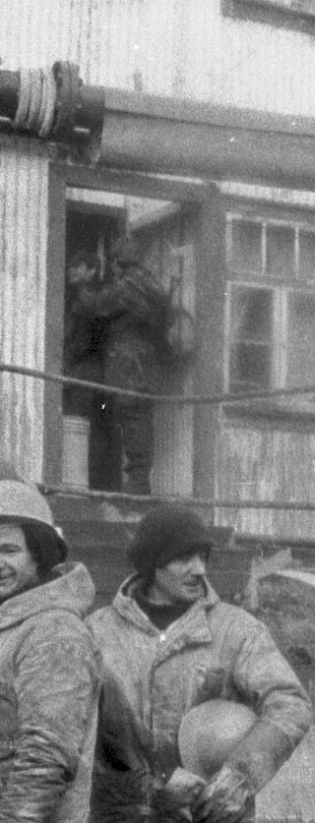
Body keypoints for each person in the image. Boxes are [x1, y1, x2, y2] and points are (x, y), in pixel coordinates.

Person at [87, 504, 313, 822]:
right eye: (183, 558)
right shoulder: (97, 632)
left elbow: (291, 704)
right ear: (152, 563)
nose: (199, 569)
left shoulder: (237, 630)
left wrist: (240, 777)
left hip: (208, 815)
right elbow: (75, 731)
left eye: (203, 557)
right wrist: (153, 782)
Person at [0, 462, 101, 822]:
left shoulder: (53, 633)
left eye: (9, 550)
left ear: (39, 555)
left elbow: (45, 759)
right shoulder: (10, 624)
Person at [74, 236, 170, 495]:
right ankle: (139, 481)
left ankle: (137, 485)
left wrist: (82, 285)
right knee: (139, 421)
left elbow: (95, 305)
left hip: (129, 368)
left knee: (133, 421)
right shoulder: (150, 283)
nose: (113, 270)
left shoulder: (129, 286)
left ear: (119, 261)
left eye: (114, 263)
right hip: (146, 367)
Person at [62, 250, 106, 418]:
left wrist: (69, 359)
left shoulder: (95, 298)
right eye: (70, 266)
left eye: (77, 266)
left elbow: (86, 340)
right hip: (78, 369)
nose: (70, 270)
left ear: (92, 270)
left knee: (78, 419)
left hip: (88, 369)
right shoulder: (77, 298)